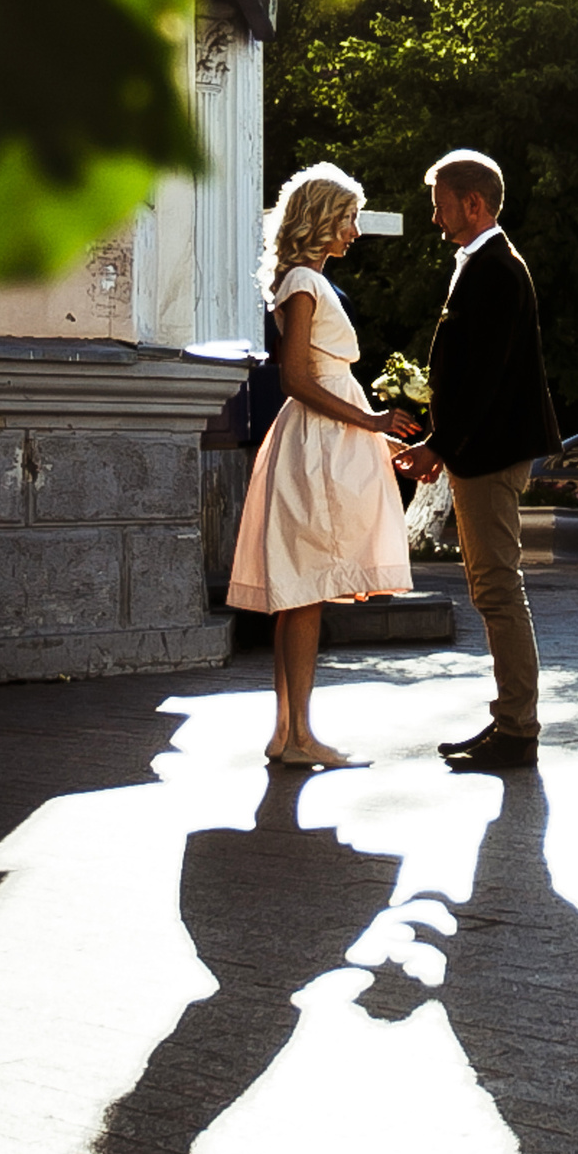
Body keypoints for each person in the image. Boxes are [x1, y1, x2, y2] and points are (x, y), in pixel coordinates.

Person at [227, 164, 420, 767]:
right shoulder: (305, 282)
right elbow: (298, 379)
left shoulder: (303, 280)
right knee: (305, 590)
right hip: (317, 444)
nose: (355, 231)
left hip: (324, 439)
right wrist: (372, 424)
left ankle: (288, 733)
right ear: (322, 220)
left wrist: (381, 442)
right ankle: (300, 735)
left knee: (299, 594)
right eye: (349, 218)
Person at [397, 148, 561, 771]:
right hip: (482, 451)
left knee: (497, 590)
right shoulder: (482, 262)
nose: (435, 216)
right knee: (492, 589)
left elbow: (486, 376)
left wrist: (441, 445)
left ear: (474, 203)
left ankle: (517, 730)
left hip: (491, 455)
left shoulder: (495, 266)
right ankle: (510, 722)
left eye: (440, 203)